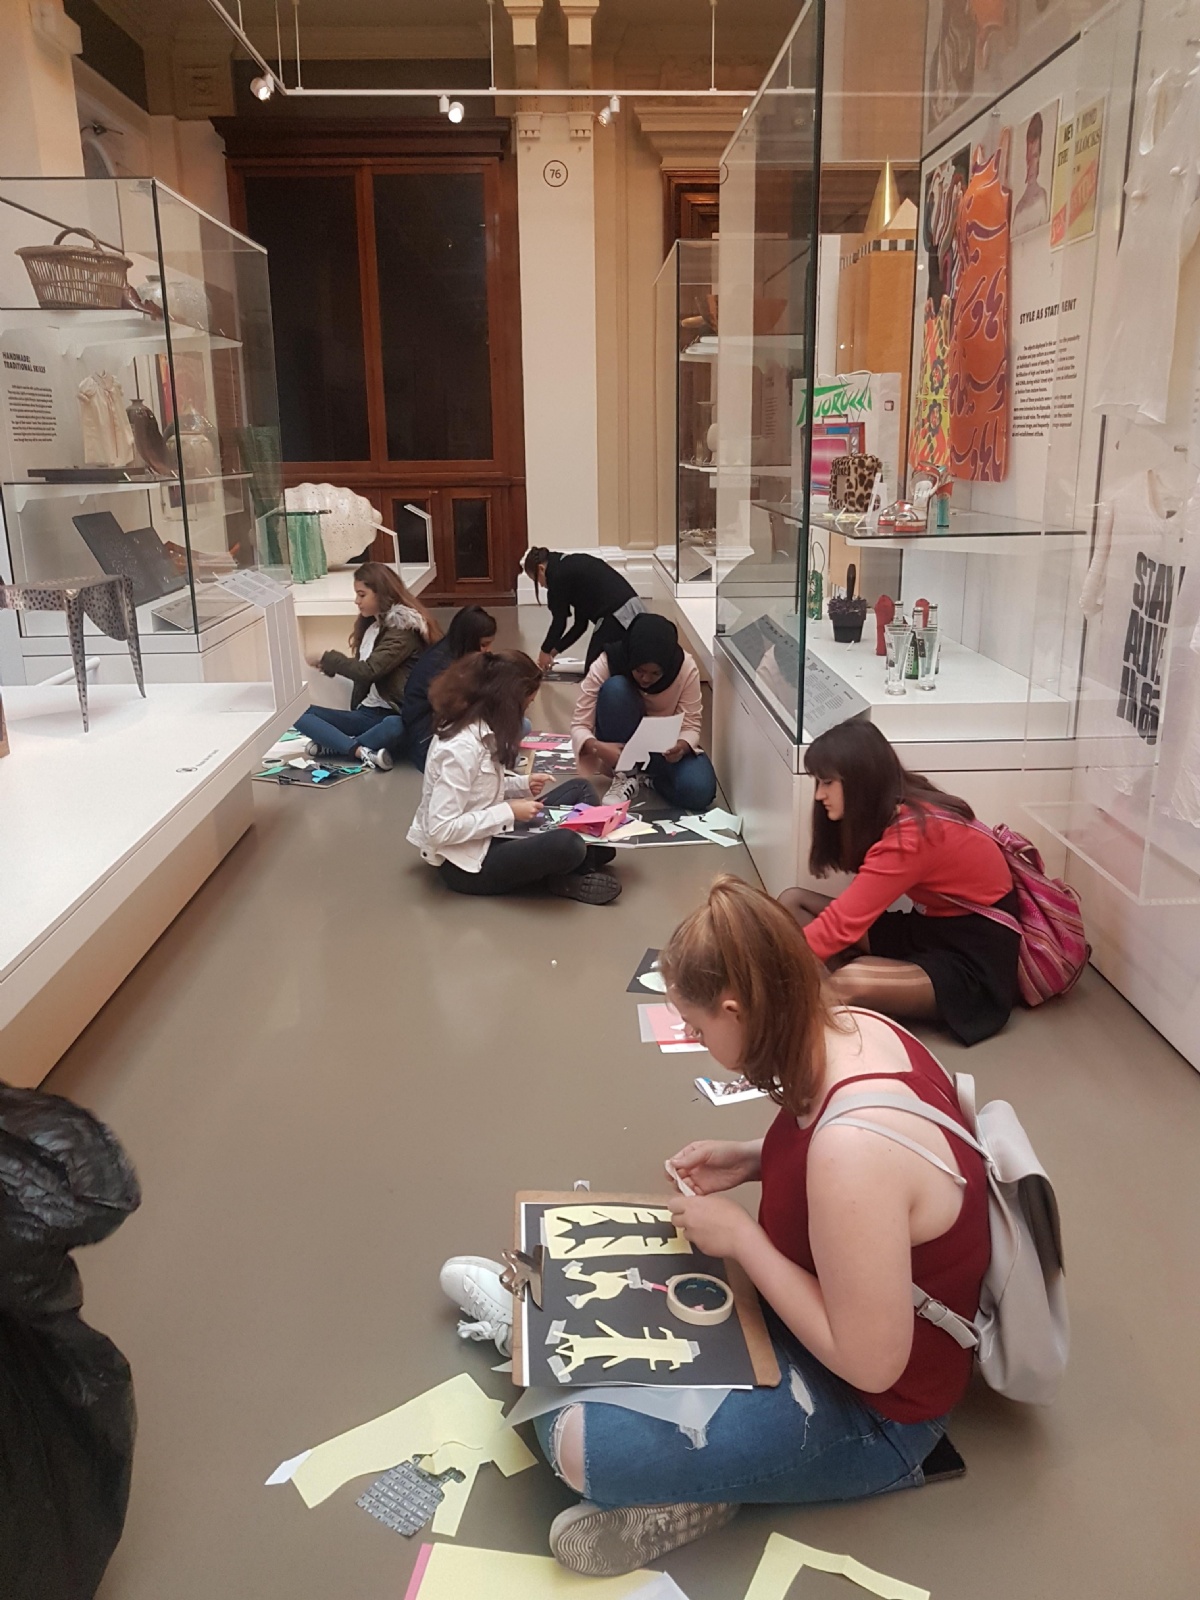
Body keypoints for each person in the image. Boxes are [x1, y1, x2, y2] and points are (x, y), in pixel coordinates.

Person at [531, 876, 989, 1577]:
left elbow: (872, 1364)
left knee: (576, 1440)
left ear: (737, 1010)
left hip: (879, 1414)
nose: (693, 1039)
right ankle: (717, 1474)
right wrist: (751, 1158)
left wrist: (743, 1238)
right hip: (810, 1312)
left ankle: (718, 1487)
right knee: (589, 1327)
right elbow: (855, 1169)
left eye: (697, 1026)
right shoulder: (854, 1026)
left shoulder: (852, 1151)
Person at [779, 720, 1018, 1045]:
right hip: (929, 928)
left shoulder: (912, 834)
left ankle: (829, 993)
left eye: (827, 782)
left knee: (849, 981)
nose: (819, 795)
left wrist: (765, 974)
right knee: (793, 901)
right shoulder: (902, 803)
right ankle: (846, 987)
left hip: (973, 958)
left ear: (859, 780)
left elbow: (841, 924)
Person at [407, 650, 622, 904]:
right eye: (525, 705)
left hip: (492, 833)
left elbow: (477, 789)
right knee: (568, 845)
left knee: (581, 789)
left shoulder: (482, 728)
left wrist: (522, 785)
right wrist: (508, 811)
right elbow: (440, 830)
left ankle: (574, 864)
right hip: (467, 864)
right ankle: (571, 872)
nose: (524, 715)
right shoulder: (460, 749)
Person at [296, 563, 440, 770]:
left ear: (381, 593)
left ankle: (338, 746)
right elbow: (362, 668)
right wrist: (328, 665)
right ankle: (359, 751)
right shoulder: (372, 627)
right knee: (297, 713)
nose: (357, 601)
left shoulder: (403, 630)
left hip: (395, 714)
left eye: (362, 595)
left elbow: (368, 671)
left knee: (394, 726)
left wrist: (328, 658)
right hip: (367, 713)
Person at [571, 614, 717, 811]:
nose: (646, 679)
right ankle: (625, 774)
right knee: (616, 689)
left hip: (664, 751)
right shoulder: (608, 662)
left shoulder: (685, 667)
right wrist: (597, 747)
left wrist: (682, 746)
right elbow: (580, 724)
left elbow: (691, 724)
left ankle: (649, 780)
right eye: (639, 670)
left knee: (700, 791)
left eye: (655, 673)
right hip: (620, 748)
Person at [401, 605, 497, 772]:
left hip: (445, 727)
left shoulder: (455, 652)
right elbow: (460, 709)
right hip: (428, 737)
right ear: (469, 640)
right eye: (484, 645)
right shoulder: (442, 666)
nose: (488, 651)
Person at [523, 547, 647, 670]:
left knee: (594, 670)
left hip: (618, 616)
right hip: (634, 609)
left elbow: (559, 622)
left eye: (537, 580)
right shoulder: (569, 567)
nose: (541, 585)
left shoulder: (556, 576)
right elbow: (580, 626)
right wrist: (553, 651)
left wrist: (544, 651)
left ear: (541, 569)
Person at [1012, 111, 1050, 237]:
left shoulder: (1042, 198)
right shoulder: (1019, 208)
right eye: (1029, 158)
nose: (1031, 164)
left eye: (1035, 156)